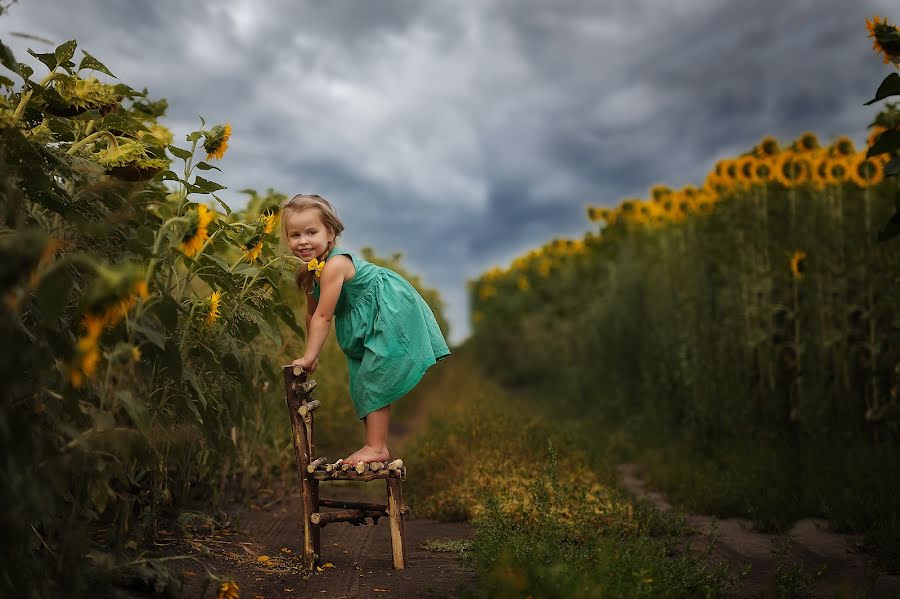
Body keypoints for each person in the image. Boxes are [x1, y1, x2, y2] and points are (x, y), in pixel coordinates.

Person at [284, 194, 450, 466]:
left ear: (330, 233)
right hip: (366, 319)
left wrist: (310, 356)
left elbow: (325, 316)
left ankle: (376, 447)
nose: (302, 240)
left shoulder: (335, 265)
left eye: (311, 232)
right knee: (361, 381)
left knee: (374, 376)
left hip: (388, 309)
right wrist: (310, 353)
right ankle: (375, 444)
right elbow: (312, 314)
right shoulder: (313, 272)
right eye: (294, 234)